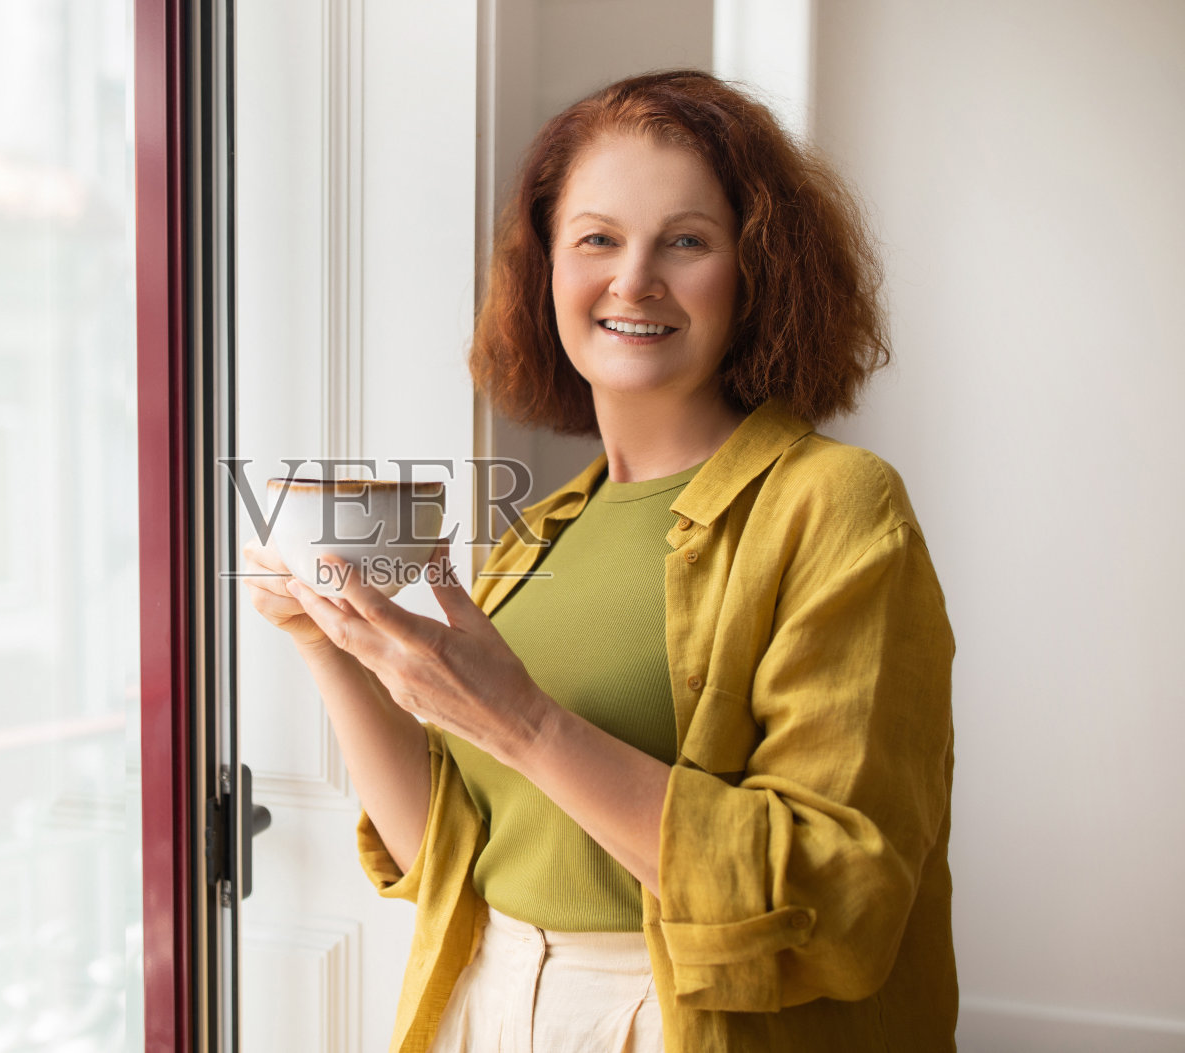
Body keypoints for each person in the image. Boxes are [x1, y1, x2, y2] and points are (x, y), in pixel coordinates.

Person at [242, 69, 955, 1053]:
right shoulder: (540, 532)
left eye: (686, 241)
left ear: (756, 272)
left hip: (682, 1020)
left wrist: (525, 722)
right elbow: (445, 857)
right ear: (545, 271)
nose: (633, 281)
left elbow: (839, 898)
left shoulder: (834, 505)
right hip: (485, 1001)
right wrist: (326, 641)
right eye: (596, 239)